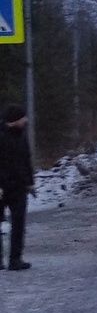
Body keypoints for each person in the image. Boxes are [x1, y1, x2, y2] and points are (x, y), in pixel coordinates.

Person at [0, 104, 35, 271]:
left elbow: (27, 159)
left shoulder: (22, 135)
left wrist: (30, 182)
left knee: (19, 224)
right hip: (1, 187)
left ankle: (15, 259)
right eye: (23, 118)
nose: (26, 120)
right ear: (14, 120)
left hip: (19, 186)